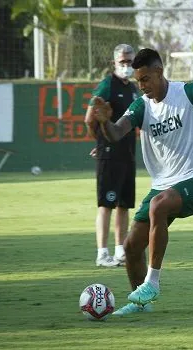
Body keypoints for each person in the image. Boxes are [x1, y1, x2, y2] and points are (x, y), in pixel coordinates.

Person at [87, 48, 193, 316]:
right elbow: (116, 133)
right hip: (164, 185)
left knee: (158, 205)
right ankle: (142, 305)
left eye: (145, 79)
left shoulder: (185, 92)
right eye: (139, 81)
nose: (141, 86)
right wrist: (105, 123)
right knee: (130, 247)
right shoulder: (142, 105)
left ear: (159, 72)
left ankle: (152, 283)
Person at [85, 44, 140, 267]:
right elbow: (89, 118)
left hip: (128, 153)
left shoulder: (133, 89)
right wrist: (100, 141)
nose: (126, 66)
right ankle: (102, 253)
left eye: (130, 62)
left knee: (124, 205)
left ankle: (120, 251)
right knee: (106, 204)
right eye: (122, 62)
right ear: (114, 63)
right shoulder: (107, 85)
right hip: (109, 154)